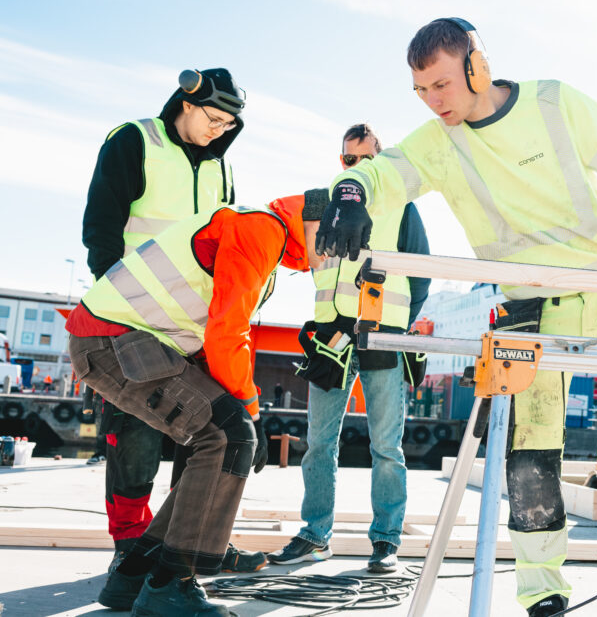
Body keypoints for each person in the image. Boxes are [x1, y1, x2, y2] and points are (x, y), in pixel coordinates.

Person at [315, 18, 597, 617]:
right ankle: (543, 596)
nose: (433, 102)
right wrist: (351, 193)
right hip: (529, 307)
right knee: (531, 458)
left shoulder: (555, 102)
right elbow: (383, 171)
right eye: (421, 91)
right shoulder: (437, 140)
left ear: (478, 67)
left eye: (442, 85)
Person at [66, 193, 326, 615]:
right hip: (115, 341)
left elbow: (214, 330)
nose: (334, 255)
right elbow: (227, 334)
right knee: (228, 437)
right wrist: (251, 412)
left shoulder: (266, 235)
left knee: (227, 433)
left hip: (118, 341)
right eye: (334, 242)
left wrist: (243, 409)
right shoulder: (261, 229)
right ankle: (171, 586)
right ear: (315, 222)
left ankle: (135, 575)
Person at [81, 68, 264, 575]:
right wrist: (114, 300)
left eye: (229, 124)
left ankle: (189, 542)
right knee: (134, 435)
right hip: (133, 318)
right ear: (185, 103)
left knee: (205, 433)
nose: (219, 129)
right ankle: (130, 548)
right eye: (212, 118)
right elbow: (102, 224)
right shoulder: (135, 141)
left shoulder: (222, 170)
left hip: (195, 323)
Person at [269, 123, 431, 573]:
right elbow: (309, 262)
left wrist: (399, 325)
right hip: (330, 337)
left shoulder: (401, 205)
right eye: (348, 159)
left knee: (387, 447)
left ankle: (386, 541)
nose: (356, 167)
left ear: (379, 160)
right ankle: (315, 535)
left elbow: (420, 276)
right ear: (340, 161)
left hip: (382, 334)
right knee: (319, 443)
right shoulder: (320, 203)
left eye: (365, 159)